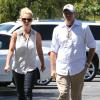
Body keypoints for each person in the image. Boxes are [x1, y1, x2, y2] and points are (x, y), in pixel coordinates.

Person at [49, 4, 96, 100]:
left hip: (78, 68)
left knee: (76, 96)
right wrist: (53, 69)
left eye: (70, 12)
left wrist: (87, 64)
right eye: (65, 12)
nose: (68, 15)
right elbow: (53, 50)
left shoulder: (83, 27)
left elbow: (92, 45)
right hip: (61, 68)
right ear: (63, 14)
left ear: (74, 14)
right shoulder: (57, 29)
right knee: (63, 94)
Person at [4, 7, 45, 100]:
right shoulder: (15, 34)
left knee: (27, 92)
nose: (26, 21)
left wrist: (42, 63)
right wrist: (7, 64)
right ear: (20, 20)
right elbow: (11, 50)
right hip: (17, 69)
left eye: (29, 19)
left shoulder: (36, 35)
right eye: (24, 19)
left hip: (30, 68)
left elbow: (39, 50)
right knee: (20, 95)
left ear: (32, 20)